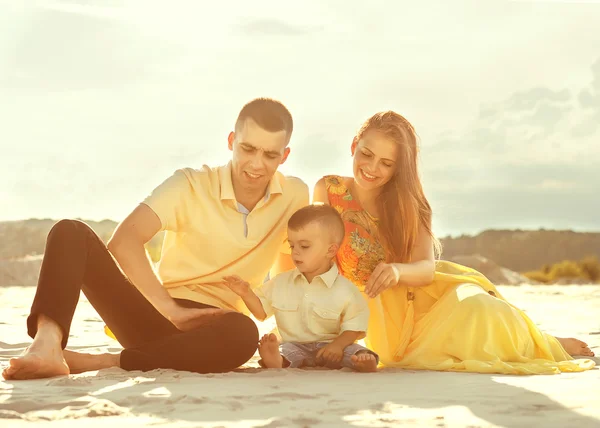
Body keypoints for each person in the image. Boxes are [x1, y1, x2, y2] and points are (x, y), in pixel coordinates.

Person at [2, 98, 309, 380]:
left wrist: (288, 341)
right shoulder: (189, 184)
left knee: (243, 334)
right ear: (231, 142)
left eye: (270, 154)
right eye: (248, 149)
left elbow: (287, 273)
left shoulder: (295, 195)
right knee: (70, 231)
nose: (257, 164)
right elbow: (125, 240)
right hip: (153, 314)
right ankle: (46, 345)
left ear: (285, 155)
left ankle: (106, 361)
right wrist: (169, 309)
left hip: (217, 327)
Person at [313, 111, 596, 375]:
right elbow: (310, 255)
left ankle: (546, 342)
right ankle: (543, 340)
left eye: (386, 163)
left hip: (422, 297)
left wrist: (397, 271)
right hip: (376, 319)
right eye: (366, 154)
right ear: (353, 145)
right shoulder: (328, 190)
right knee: (463, 337)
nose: (372, 168)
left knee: (481, 307)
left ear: (399, 167)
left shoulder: (410, 205)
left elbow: (425, 268)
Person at [222, 204, 379, 372]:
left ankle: (363, 362)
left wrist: (337, 346)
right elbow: (261, 313)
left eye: (304, 246)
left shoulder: (346, 290)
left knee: (354, 351)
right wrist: (246, 293)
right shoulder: (280, 283)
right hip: (295, 345)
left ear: (330, 250)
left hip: (333, 347)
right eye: (292, 245)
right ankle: (277, 361)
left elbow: (354, 327)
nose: (295, 252)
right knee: (286, 351)